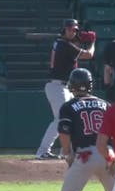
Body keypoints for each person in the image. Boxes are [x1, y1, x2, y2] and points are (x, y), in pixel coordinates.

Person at [35, 19, 96, 159]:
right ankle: (43, 150)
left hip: (64, 87)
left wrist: (80, 38)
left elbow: (74, 45)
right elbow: (88, 55)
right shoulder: (64, 45)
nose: (72, 32)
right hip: (57, 86)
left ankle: (65, 150)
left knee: (68, 118)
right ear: (64, 30)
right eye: (69, 29)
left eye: (74, 30)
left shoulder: (62, 43)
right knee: (60, 119)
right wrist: (92, 42)